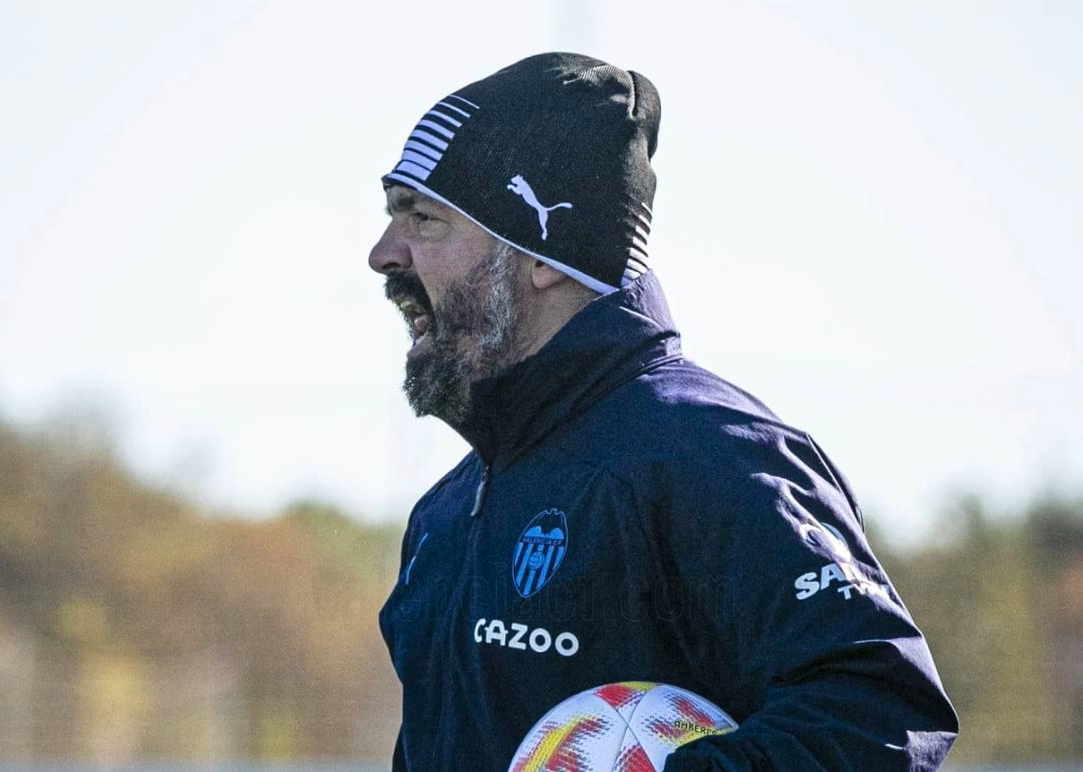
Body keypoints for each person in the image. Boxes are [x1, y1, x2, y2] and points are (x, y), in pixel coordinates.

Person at [371, 52, 958, 771]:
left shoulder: (712, 458)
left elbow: (879, 713)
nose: (382, 254)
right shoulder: (443, 515)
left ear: (544, 256)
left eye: (424, 219)